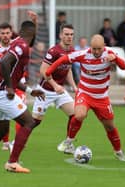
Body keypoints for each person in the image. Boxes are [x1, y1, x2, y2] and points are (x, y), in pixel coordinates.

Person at [0, 19, 45, 173]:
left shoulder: (18, 43)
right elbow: (5, 63)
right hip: (0, 92)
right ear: (31, 34)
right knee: (29, 122)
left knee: (1, 129)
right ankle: (13, 162)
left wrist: (30, 91)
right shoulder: (22, 46)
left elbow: (13, 75)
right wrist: (10, 88)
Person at [45, 34, 125, 161]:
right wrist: (48, 71)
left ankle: (118, 152)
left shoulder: (109, 54)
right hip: (85, 92)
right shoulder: (83, 54)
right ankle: (69, 141)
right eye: (93, 48)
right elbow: (64, 59)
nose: (96, 52)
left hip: (101, 97)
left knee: (110, 126)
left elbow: (124, 66)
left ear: (104, 47)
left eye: (98, 49)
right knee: (79, 115)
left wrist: (115, 59)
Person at [0, 11, 38, 152]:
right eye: (3, 33)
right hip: (4, 87)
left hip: (17, 84)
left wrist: (34, 22)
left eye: (8, 33)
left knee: (23, 117)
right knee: (24, 121)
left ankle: (17, 142)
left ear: (11, 33)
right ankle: (9, 146)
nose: (6, 35)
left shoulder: (17, 44)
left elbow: (29, 37)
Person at [32, 24, 77, 153]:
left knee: (75, 114)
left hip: (60, 91)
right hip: (45, 91)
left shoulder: (72, 51)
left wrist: (74, 86)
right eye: (66, 34)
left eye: (71, 34)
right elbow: (43, 70)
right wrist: (55, 85)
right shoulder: (54, 51)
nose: (69, 37)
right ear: (61, 35)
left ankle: (68, 144)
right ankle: (15, 142)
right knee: (34, 122)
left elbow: (67, 70)